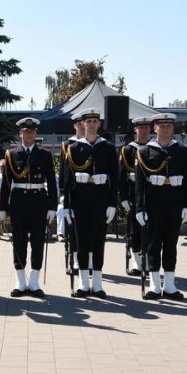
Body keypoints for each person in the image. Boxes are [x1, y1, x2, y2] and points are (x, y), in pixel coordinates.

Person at [134, 113, 187, 300]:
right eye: (162, 126)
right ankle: (153, 283)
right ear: (155, 128)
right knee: (153, 242)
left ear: (173, 128)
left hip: (175, 201)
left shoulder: (182, 151)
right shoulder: (145, 152)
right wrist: (140, 208)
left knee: (170, 243)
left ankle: (169, 284)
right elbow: (140, 184)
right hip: (154, 202)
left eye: (169, 126)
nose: (166, 129)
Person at [61, 108, 118, 298]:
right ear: (83, 124)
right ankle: (83, 283)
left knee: (99, 241)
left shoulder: (108, 147)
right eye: (89, 122)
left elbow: (114, 178)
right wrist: (67, 204)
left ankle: (98, 284)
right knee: (82, 240)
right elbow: (68, 179)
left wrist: (112, 203)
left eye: (95, 121)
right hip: (81, 198)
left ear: (99, 124)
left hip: (100, 197)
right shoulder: (74, 147)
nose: (92, 125)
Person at [0, 117, 57, 297]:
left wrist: (52, 206)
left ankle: (34, 280)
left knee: (38, 242)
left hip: (39, 202)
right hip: (19, 203)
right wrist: (1, 207)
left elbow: (51, 183)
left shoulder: (45, 155)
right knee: (19, 242)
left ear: (36, 133)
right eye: (25, 131)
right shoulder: (12, 155)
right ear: (20, 133)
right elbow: (6, 184)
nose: (29, 134)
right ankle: (20, 280)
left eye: (32, 131)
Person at [118, 116, 152, 276]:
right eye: (141, 128)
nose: (144, 130)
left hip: (152, 192)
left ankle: (149, 259)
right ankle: (137, 262)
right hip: (133, 192)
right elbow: (121, 175)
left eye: (146, 127)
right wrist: (123, 197)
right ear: (135, 130)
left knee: (151, 228)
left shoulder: (155, 147)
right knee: (134, 229)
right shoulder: (128, 149)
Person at [58, 111, 86, 250]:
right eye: (79, 124)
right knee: (73, 225)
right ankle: (75, 255)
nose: (82, 126)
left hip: (89, 189)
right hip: (73, 190)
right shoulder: (68, 144)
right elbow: (63, 170)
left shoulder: (94, 144)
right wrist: (63, 192)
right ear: (74, 125)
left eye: (83, 123)